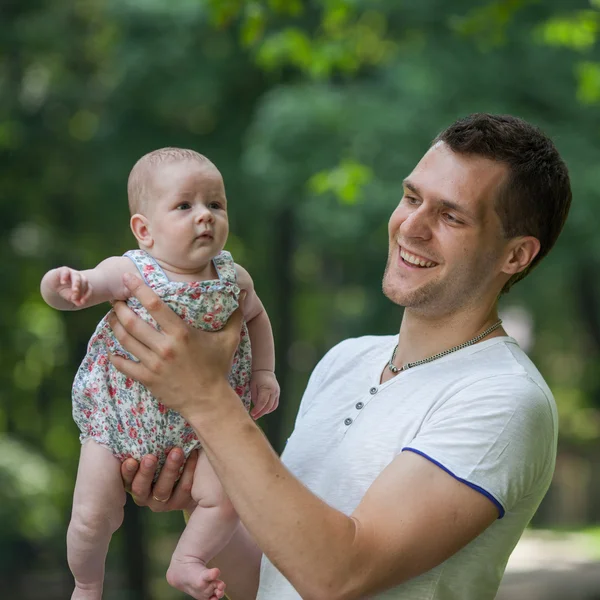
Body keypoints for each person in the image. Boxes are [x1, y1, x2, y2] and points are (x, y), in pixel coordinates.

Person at [109, 114, 572, 600]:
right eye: (412, 198)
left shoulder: (504, 398)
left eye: (451, 216)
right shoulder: (345, 361)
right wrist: (200, 497)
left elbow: (338, 575)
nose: (410, 227)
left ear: (516, 255)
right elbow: (271, 582)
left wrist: (206, 399)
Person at [40, 147, 280, 600]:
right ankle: (87, 584)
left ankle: (186, 560)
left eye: (216, 204)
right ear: (144, 230)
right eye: (185, 205)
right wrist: (62, 285)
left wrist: (264, 372)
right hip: (119, 417)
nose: (205, 216)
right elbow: (86, 288)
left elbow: (258, 319)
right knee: (93, 513)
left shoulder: (234, 279)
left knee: (227, 500)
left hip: (204, 425)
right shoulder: (131, 271)